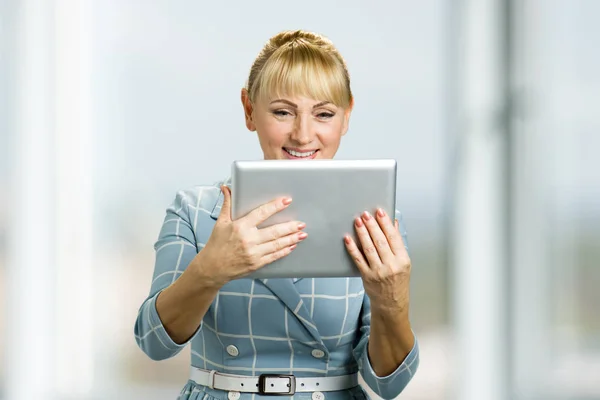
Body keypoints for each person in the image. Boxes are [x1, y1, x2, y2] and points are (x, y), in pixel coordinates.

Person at [134, 29, 419, 400]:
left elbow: (389, 383)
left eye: (324, 114)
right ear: (249, 110)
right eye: (283, 112)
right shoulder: (195, 211)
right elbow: (154, 344)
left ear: (346, 117)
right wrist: (209, 272)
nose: (303, 134)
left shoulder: (376, 223)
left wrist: (390, 301)